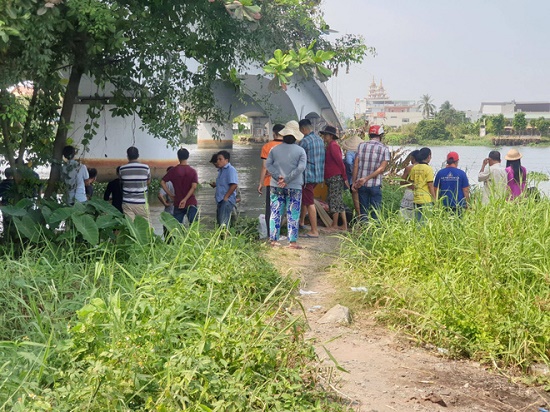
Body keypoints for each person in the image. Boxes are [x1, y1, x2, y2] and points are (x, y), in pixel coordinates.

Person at [266, 120, 307, 249]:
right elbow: (301, 168)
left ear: (283, 135)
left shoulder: (274, 149)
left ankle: (273, 240)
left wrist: (278, 177)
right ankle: (292, 242)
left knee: (275, 212)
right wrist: (287, 179)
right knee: (293, 213)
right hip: (294, 186)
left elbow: (268, 165)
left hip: (276, 185)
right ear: (296, 136)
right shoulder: (301, 151)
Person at [351, 125, 390, 220]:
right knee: (375, 211)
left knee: (363, 211)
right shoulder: (384, 149)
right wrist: (366, 179)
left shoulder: (361, 146)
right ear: (380, 135)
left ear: (369, 135)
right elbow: (381, 169)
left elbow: (355, 165)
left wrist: (354, 182)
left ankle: (364, 228)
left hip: (361, 184)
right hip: (375, 184)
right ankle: (374, 229)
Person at [298, 118, 325, 238]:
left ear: (303, 129)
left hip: (307, 177)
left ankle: (314, 231)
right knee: (306, 199)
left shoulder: (305, 141)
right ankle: (301, 222)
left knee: (309, 202)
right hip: (318, 176)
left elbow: (299, 159)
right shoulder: (320, 140)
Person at [258, 124, 285, 237]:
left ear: (274, 133)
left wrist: (261, 183)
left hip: (270, 181)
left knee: (270, 208)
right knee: (282, 207)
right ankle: (279, 232)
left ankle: (271, 235)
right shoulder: (289, 146)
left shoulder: (267, 146)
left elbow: (265, 167)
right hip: (285, 181)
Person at [321, 125, 349, 231]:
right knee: (338, 201)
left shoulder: (333, 146)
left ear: (331, 136)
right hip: (333, 176)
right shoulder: (331, 146)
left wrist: (344, 177)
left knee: (334, 201)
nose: (324, 137)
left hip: (335, 177)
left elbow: (340, 162)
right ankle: (344, 225)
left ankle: (335, 225)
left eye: (326, 135)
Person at [161, 148, 199, 224]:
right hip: (190, 202)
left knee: (177, 227)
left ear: (178, 157)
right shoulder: (192, 171)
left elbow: (162, 182)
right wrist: (185, 199)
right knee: (193, 226)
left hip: (178, 202)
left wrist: (170, 195)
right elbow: (194, 187)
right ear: (187, 156)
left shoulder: (173, 171)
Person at [119, 146, 151, 221]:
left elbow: (122, 182)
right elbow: (148, 182)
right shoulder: (145, 167)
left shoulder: (122, 168)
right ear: (138, 155)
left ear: (127, 156)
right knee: (145, 225)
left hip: (127, 203)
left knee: (131, 226)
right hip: (142, 202)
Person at [408, 147, 435, 221]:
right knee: (427, 221)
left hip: (416, 198)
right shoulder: (428, 169)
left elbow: (412, 183)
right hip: (426, 199)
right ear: (429, 156)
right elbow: (430, 185)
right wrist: (434, 199)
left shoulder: (414, 168)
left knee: (418, 220)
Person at [341, 130, 364, 217]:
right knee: (363, 199)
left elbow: (349, 162)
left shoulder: (349, 153)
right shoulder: (362, 152)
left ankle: (359, 216)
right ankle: (363, 217)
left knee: (355, 198)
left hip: (352, 179)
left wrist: (352, 171)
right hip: (363, 178)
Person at [213, 150, 238, 226]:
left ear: (226, 160)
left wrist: (226, 197)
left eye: (220, 159)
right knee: (220, 223)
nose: (218, 161)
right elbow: (224, 184)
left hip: (226, 201)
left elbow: (234, 184)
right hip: (220, 200)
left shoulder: (230, 169)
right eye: (217, 159)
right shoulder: (221, 170)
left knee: (223, 224)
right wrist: (215, 185)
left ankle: (225, 234)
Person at [399, 150, 419, 220]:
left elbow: (402, 182)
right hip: (421, 193)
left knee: (405, 214)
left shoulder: (409, 168)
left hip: (409, 192)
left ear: (413, 158)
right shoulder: (426, 168)